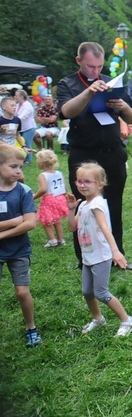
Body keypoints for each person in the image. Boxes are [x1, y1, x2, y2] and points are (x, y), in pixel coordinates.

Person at [57, 42, 132, 271]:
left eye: (99, 66)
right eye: (91, 67)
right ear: (79, 61)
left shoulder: (111, 83)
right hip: (84, 155)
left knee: (113, 206)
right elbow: (66, 111)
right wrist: (88, 92)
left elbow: (131, 118)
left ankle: (117, 256)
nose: (95, 71)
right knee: (84, 207)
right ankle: (85, 260)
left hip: (112, 154)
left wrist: (122, 106)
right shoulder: (68, 83)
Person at [66, 162, 132, 337]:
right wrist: (71, 209)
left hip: (101, 256)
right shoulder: (83, 205)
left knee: (101, 292)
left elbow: (105, 228)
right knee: (87, 292)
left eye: (87, 181)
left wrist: (115, 251)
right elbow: (72, 227)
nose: (82, 184)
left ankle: (127, 320)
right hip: (88, 255)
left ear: (99, 184)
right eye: (79, 181)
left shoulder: (97, 204)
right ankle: (98, 319)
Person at [0, 143, 41, 347]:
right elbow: (22, 221)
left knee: (22, 292)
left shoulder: (24, 191)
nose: (18, 171)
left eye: (21, 167)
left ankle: (31, 327)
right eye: (13, 166)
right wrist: (15, 221)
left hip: (18, 251)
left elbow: (30, 223)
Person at [33, 149, 68, 248]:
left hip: (49, 199)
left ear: (41, 163)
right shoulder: (59, 173)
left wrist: (35, 196)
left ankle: (53, 240)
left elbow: (43, 189)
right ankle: (61, 240)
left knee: (46, 221)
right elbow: (64, 187)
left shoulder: (43, 175)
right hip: (60, 198)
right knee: (57, 220)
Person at [14, 90, 36, 164]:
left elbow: (22, 117)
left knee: (26, 143)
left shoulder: (27, 106)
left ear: (21, 96)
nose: (15, 97)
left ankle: (29, 160)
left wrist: (13, 120)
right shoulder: (17, 105)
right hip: (21, 128)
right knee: (21, 143)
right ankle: (23, 158)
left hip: (29, 128)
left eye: (16, 95)